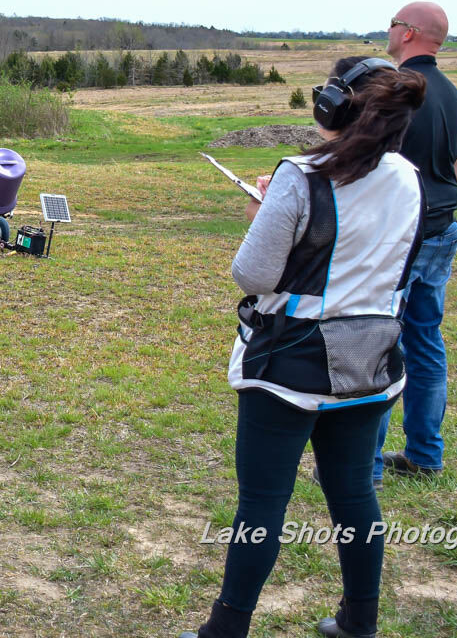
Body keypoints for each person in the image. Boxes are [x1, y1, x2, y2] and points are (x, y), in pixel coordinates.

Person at [182, 57, 427, 638]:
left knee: (263, 503)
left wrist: (261, 215)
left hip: (289, 366)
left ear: (335, 106)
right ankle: (359, 622)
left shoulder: (301, 174)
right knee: (353, 495)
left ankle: (226, 630)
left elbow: (254, 275)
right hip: (372, 361)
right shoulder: (408, 177)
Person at [376, 2, 457, 481]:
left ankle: (363, 464)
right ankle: (424, 456)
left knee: (375, 342)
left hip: (401, 234)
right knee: (425, 340)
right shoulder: (454, 95)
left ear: (409, 33)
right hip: (442, 230)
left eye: (393, 22)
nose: (387, 29)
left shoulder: (398, 92)